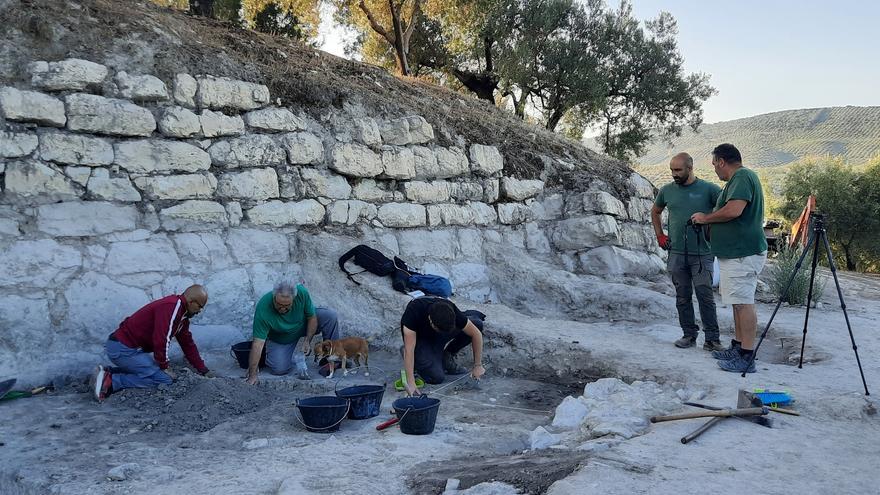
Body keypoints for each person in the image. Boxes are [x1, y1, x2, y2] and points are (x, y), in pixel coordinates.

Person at [691, 143, 768, 373]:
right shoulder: (736, 181)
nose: (715, 169)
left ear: (722, 161)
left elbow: (734, 210)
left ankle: (746, 355)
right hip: (734, 253)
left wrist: (705, 218)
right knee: (737, 302)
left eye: (715, 164)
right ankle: (737, 346)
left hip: (743, 253)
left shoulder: (742, 176)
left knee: (744, 303)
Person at [89, 284, 214, 402]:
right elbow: (161, 339)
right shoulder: (173, 307)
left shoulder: (182, 317)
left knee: (153, 371)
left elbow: (188, 344)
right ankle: (111, 381)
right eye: (200, 306)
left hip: (127, 348)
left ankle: (107, 372)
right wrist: (164, 366)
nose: (200, 311)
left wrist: (203, 370)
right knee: (164, 379)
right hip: (123, 349)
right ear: (191, 301)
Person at [652, 152, 724, 351]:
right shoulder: (667, 190)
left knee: (705, 296)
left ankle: (712, 339)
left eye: (678, 170)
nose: (674, 174)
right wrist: (660, 235)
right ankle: (688, 335)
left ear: (690, 168)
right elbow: (655, 211)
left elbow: (725, 211)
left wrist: (713, 230)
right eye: (672, 170)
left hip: (703, 253)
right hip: (676, 253)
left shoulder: (710, 189)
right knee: (682, 296)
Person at [246, 280, 339, 385]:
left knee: (330, 316)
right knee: (279, 369)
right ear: (274, 297)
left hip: (301, 325)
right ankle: (275, 356)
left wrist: (307, 341)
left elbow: (312, 317)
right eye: (279, 304)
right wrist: (252, 374)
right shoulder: (263, 308)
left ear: (294, 299)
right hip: (281, 337)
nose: (282, 308)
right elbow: (257, 344)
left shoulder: (301, 293)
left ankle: (332, 358)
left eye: (287, 305)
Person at [400, 297, 485, 396]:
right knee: (436, 377)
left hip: (442, 332)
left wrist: (478, 365)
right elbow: (409, 351)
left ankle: (447, 355)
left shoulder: (449, 308)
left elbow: (476, 334)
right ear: (431, 321)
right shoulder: (413, 313)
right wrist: (411, 383)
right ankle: (416, 355)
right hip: (422, 341)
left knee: (477, 324)